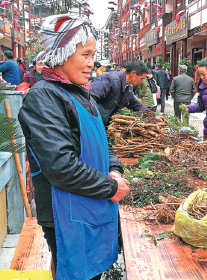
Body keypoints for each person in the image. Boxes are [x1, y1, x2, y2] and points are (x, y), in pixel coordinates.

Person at [18, 14, 129, 280]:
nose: (92, 63)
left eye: (93, 55)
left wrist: (114, 169)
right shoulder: (44, 97)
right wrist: (110, 187)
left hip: (91, 203)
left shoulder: (79, 92)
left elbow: (100, 140)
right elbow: (60, 165)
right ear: (62, 53)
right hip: (65, 213)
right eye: (85, 55)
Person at [91, 59, 165, 126]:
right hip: (92, 123)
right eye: (141, 78)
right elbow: (89, 98)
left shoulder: (128, 87)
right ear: (133, 74)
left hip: (103, 123)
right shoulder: (110, 80)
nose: (141, 81)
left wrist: (153, 116)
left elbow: (135, 104)